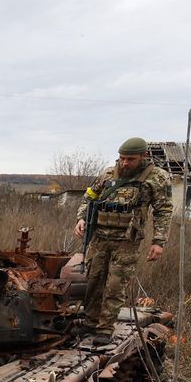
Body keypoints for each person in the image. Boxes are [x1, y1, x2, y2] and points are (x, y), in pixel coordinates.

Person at [73, 137, 172, 343]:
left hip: (127, 241)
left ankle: (104, 329)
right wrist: (81, 218)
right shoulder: (108, 174)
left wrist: (158, 241)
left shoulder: (157, 178)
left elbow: (163, 210)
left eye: (130, 159)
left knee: (115, 285)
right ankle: (90, 323)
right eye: (122, 158)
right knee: (94, 281)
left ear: (143, 156)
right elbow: (89, 196)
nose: (125, 163)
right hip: (99, 238)